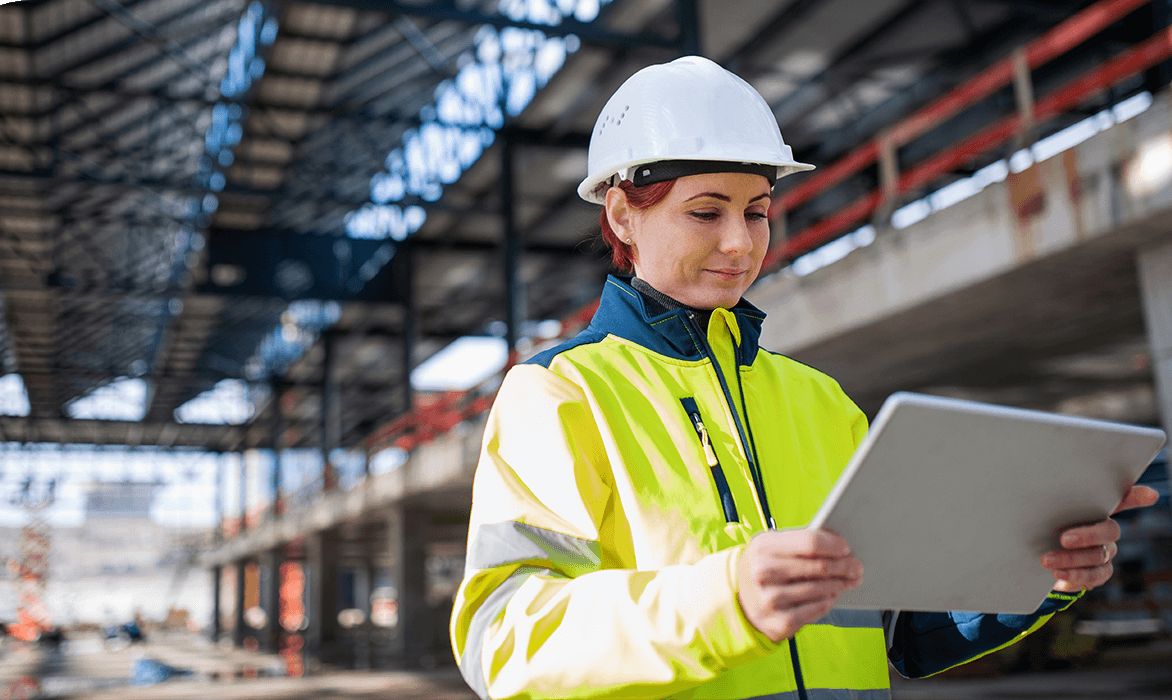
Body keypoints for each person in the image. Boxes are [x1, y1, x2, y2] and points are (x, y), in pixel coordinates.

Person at [449, 56, 1158, 700]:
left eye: (757, 212)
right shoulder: (561, 394)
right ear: (621, 215)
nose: (740, 242)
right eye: (705, 212)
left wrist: (1040, 575)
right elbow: (505, 639)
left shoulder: (820, 401)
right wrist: (726, 601)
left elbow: (903, 629)